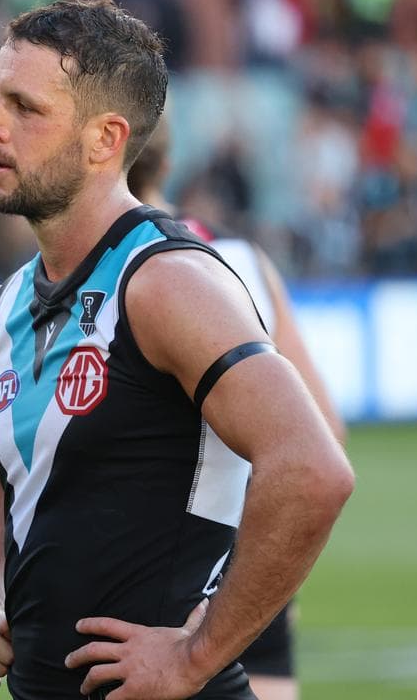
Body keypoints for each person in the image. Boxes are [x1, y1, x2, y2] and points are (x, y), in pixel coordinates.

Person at [0, 0, 354, 700]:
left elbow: (314, 468)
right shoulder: (13, 296)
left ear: (106, 139)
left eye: (24, 106)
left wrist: (197, 656)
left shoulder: (167, 282)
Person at [128, 115, 349, 700]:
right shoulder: (241, 259)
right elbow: (325, 430)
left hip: (145, 572)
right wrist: (272, 571)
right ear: (169, 165)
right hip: (242, 553)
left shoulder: (97, 276)